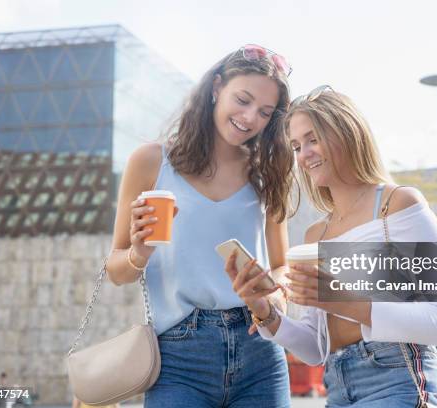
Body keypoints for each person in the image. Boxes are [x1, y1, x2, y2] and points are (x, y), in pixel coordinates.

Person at [226, 86, 437, 407]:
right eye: (296, 145)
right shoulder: (315, 235)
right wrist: (265, 313)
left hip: (398, 379)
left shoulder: (399, 205)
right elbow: (314, 348)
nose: (303, 154)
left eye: (313, 139)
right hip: (337, 385)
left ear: (347, 134)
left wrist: (342, 300)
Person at [106, 45, 293, 407]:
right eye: (243, 99)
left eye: (265, 112)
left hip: (260, 351)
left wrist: (275, 292)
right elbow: (115, 270)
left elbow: (283, 265)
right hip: (179, 357)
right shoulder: (151, 162)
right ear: (216, 87)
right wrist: (140, 253)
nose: (250, 117)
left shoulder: (268, 172)